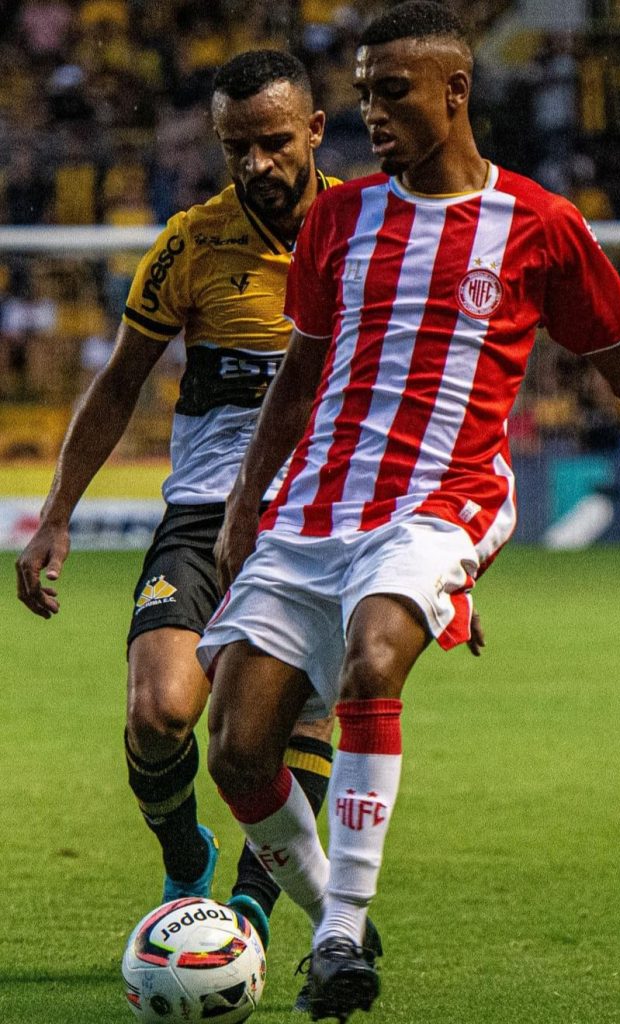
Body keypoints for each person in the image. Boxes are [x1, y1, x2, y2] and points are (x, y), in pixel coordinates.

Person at [195, 5, 620, 1021]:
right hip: (314, 504)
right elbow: (301, 374)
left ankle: (337, 933)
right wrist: (246, 504)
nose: (372, 111)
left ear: (455, 90)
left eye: (392, 89)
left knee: (372, 656)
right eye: (363, 91)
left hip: (442, 497)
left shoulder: (539, 223)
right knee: (234, 746)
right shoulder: (336, 217)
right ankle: (337, 916)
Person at [14, 49, 353, 968]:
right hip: (206, 514)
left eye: (275, 143)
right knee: (160, 714)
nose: (256, 164)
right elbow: (121, 381)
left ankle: (248, 910)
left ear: (315, 132)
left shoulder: (369, 233)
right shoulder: (193, 243)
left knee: (295, 722)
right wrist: (54, 515)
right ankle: (184, 855)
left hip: (321, 519)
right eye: (236, 146)